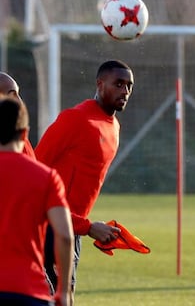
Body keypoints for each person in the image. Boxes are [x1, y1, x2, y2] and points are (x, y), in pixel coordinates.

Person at [35, 59, 134, 305]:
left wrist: (87, 227)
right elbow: (33, 176)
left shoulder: (115, 127)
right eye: (118, 84)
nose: (125, 91)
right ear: (100, 84)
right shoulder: (74, 119)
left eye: (129, 86)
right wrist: (88, 226)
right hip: (45, 230)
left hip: (70, 230)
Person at [0, 97, 74, 306]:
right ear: (25, 134)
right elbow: (65, 236)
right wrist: (63, 291)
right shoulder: (46, 177)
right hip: (28, 290)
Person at [0, 71, 36, 158]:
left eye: (18, 94)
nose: (20, 101)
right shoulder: (16, 143)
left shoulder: (20, 139)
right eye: (12, 95)